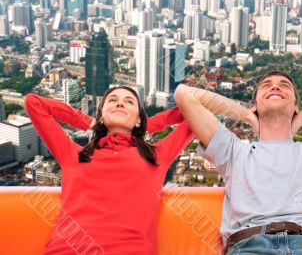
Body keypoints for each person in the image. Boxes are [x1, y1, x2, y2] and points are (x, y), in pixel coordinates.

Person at [174, 71, 302, 254]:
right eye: (267, 85)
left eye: (285, 86)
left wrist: (301, 118)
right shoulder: (234, 152)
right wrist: (248, 115)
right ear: (256, 104)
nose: (275, 86)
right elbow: (184, 94)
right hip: (251, 247)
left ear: (295, 105)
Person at [24, 85, 194, 255]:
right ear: (101, 116)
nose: (120, 104)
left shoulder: (156, 156)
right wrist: (88, 121)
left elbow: (195, 115)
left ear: (139, 119)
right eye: (112, 100)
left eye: (129, 102)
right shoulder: (73, 154)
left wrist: (143, 127)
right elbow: (33, 103)